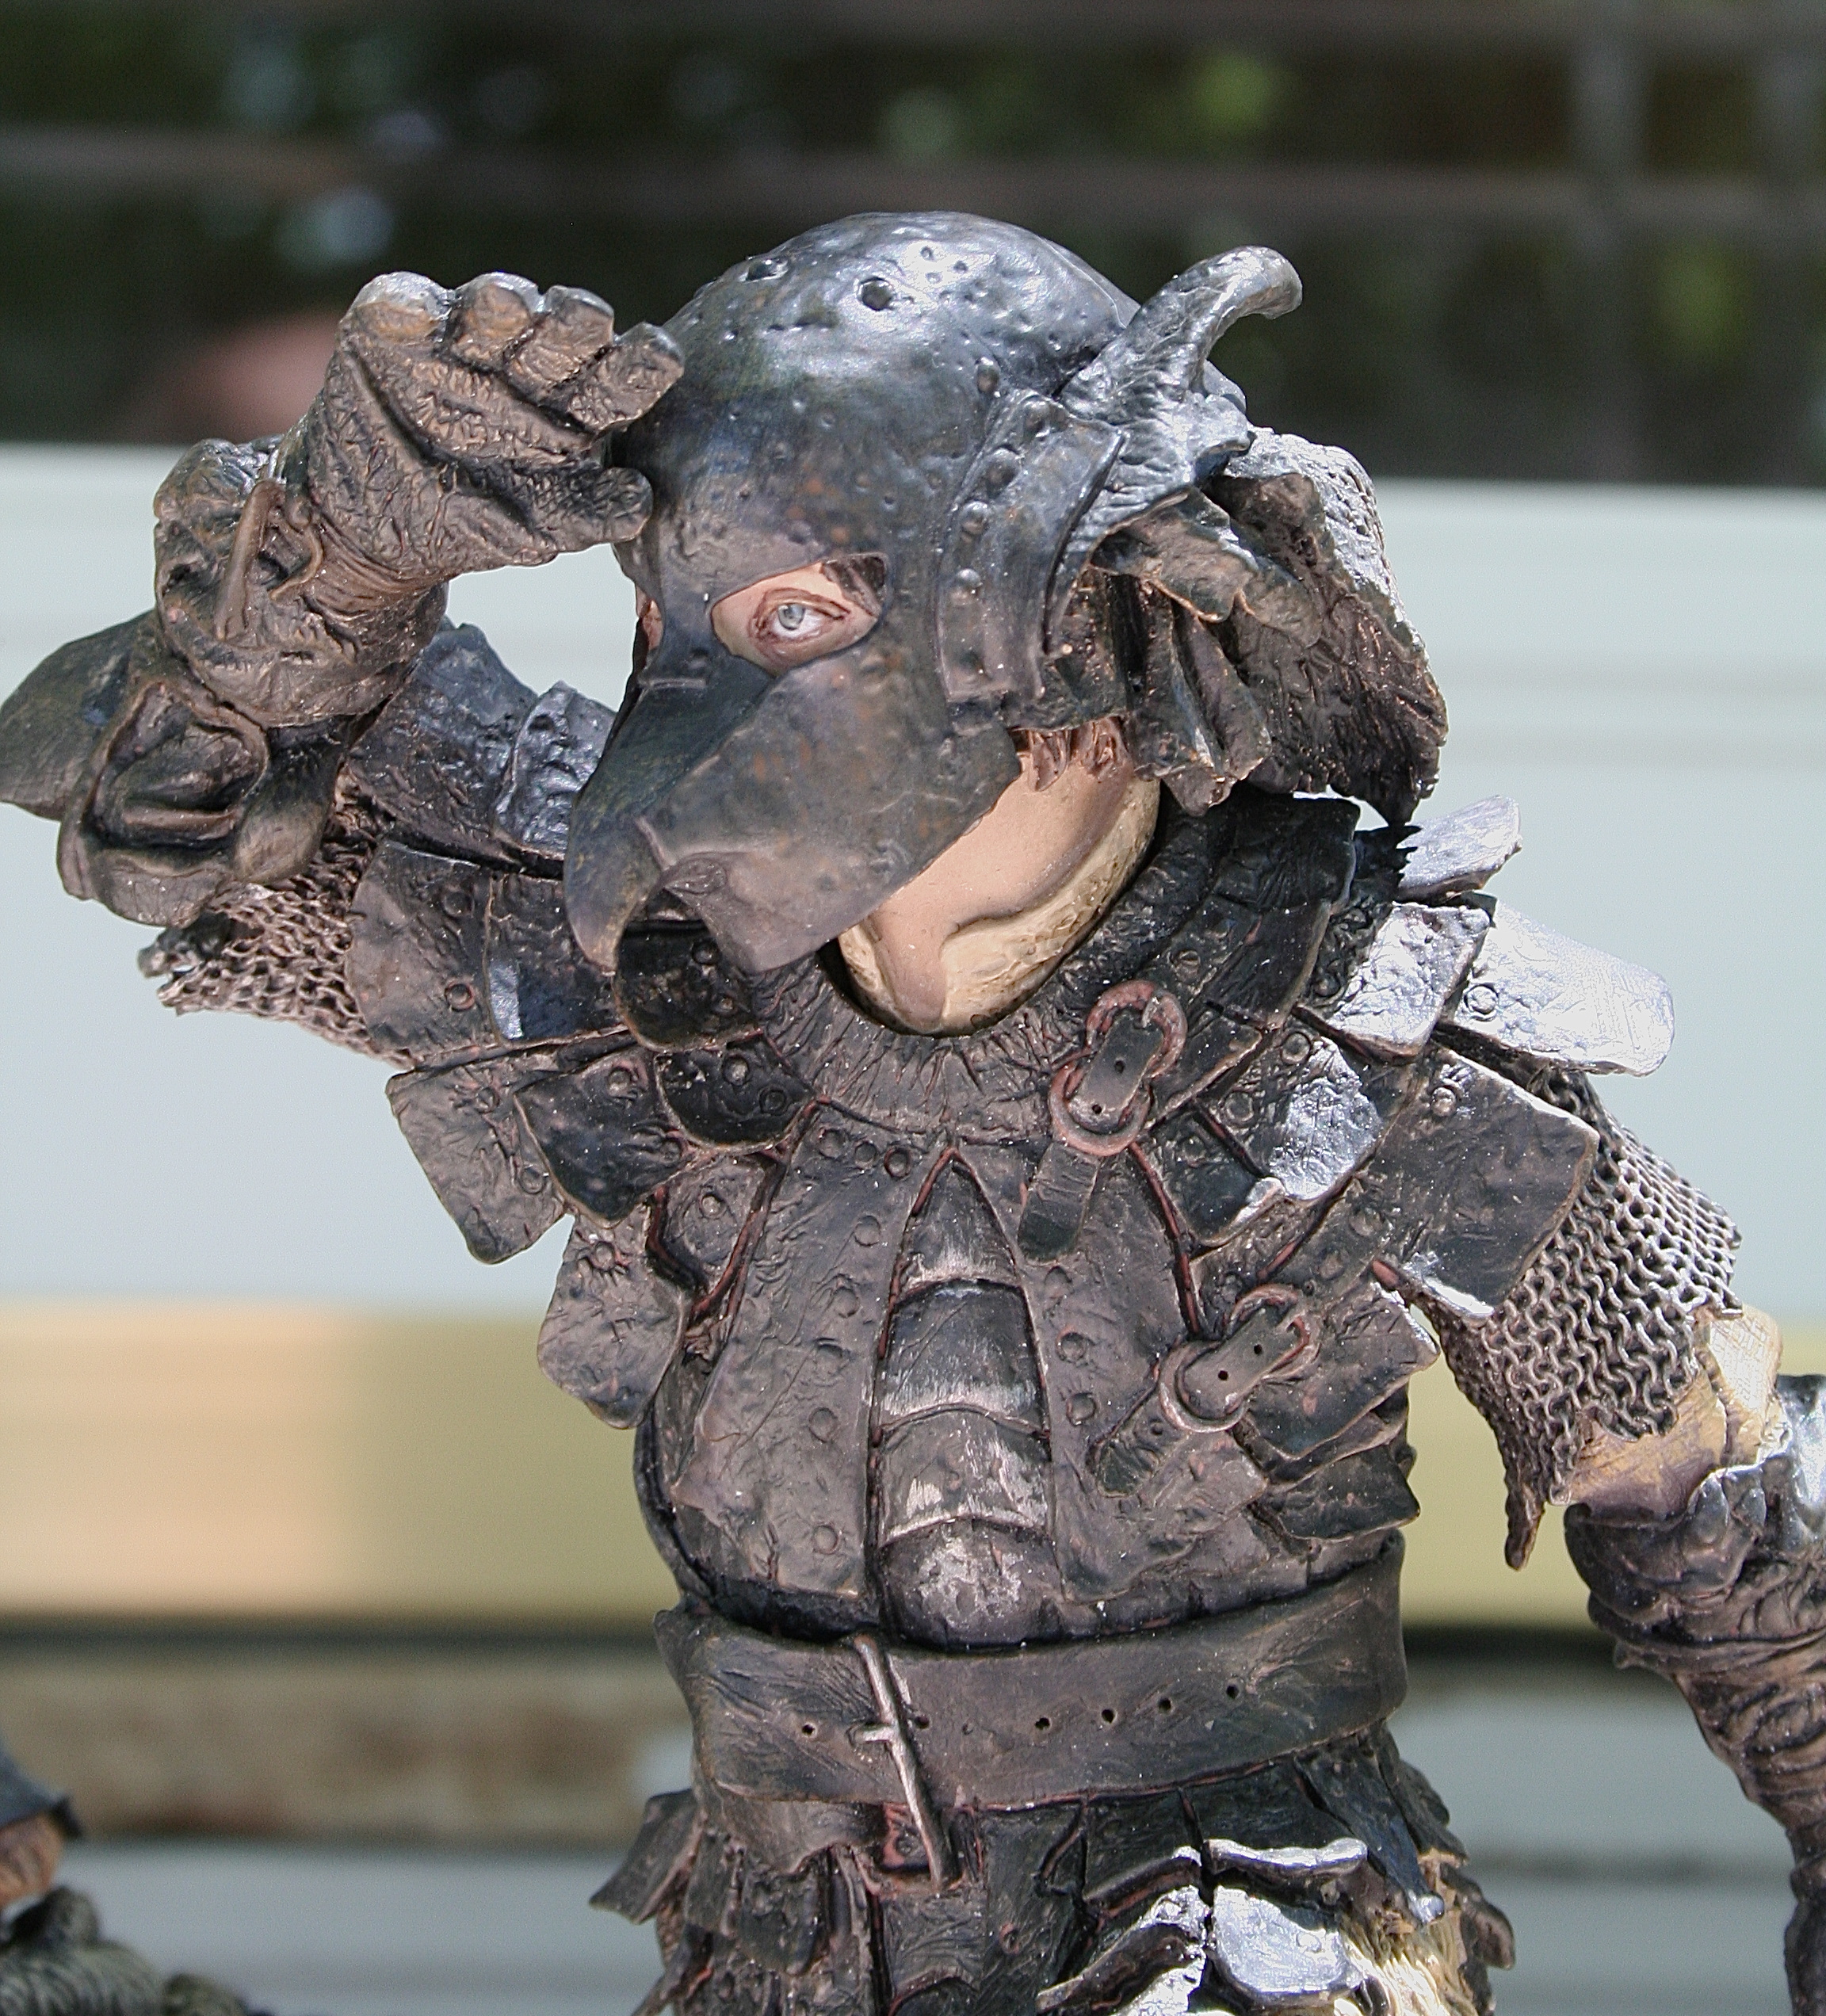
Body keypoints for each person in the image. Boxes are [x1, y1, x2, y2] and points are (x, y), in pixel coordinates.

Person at [2, 215, 1820, 2016]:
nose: (687, 724)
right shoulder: (618, 965)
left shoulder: (1386, 1036)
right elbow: (148, 828)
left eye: (796, 614)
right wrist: (323, 576)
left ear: (1069, 613)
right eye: (670, 618)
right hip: (778, 1934)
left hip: (1239, 1940)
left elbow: (1752, 1545)